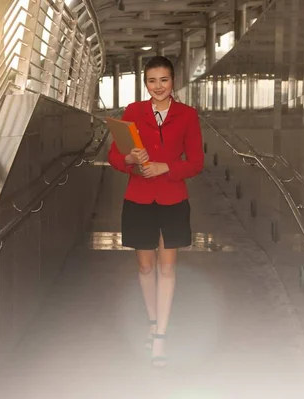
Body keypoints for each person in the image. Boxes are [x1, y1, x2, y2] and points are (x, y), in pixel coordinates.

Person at [107, 56, 204, 368]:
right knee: (146, 268)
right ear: (145, 83)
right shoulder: (133, 113)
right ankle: (153, 322)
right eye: (152, 80)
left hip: (174, 199)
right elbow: (114, 156)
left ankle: (160, 337)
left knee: (167, 269)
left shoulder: (187, 115)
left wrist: (167, 166)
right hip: (138, 198)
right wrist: (132, 159)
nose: (158, 86)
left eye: (164, 80)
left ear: (173, 81)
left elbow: (196, 162)